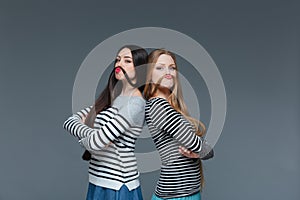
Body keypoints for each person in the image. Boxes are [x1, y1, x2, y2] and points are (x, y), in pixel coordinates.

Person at [63, 45, 148, 200]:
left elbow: (96, 143)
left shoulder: (135, 104)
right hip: (97, 180)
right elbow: (69, 121)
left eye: (127, 61)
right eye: (118, 59)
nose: (118, 64)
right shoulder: (111, 99)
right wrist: (94, 137)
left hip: (118, 185)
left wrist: (92, 138)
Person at [143, 49, 213, 200]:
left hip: (190, 193)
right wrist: (200, 150)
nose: (168, 72)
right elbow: (202, 148)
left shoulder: (171, 106)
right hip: (175, 196)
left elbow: (202, 150)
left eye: (172, 67)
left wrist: (199, 151)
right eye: (160, 67)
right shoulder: (157, 106)